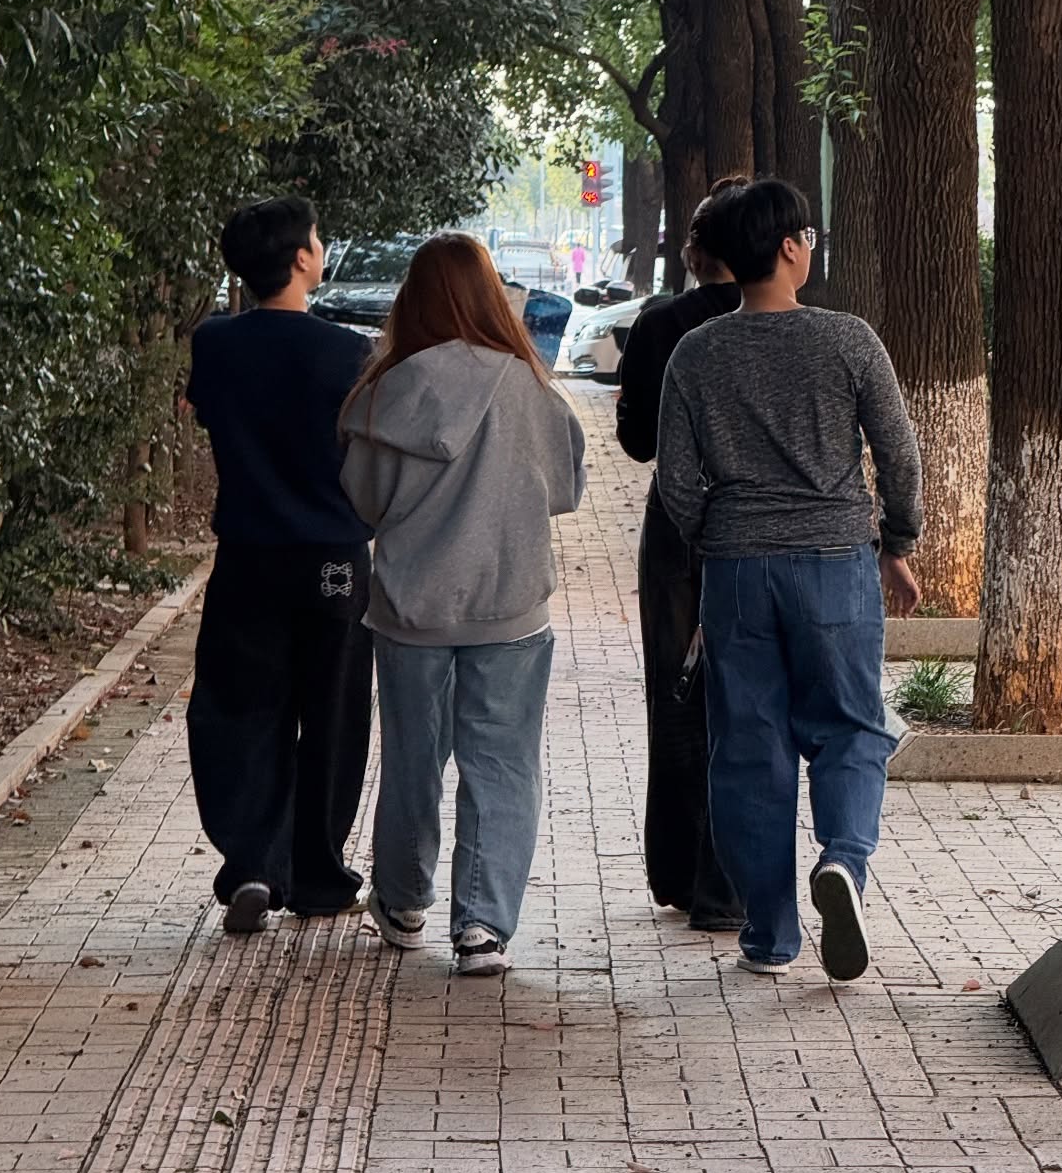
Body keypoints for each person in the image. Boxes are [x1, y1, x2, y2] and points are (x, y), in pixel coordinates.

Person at [655, 177, 923, 982]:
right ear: (787, 248)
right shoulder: (848, 341)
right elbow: (899, 456)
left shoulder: (696, 353)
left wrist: (720, 537)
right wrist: (896, 541)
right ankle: (843, 859)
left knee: (748, 750)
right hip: (834, 566)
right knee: (849, 728)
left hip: (736, 574)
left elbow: (674, 483)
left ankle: (769, 935)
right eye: (807, 235)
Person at [340, 234, 586, 975]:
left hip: (412, 607)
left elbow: (365, 501)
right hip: (510, 604)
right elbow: (567, 490)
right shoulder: (532, 388)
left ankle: (404, 899)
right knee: (503, 762)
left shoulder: (385, 392)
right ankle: (482, 927)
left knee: (414, 757)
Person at [186, 195, 374, 936]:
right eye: (318, 239)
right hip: (332, 554)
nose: (321, 248)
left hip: (248, 554)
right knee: (332, 709)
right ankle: (321, 874)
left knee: (239, 706)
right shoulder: (348, 352)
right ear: (301, 258)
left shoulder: (215, 344)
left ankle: (251, 862)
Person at [616, 212, 744, 931]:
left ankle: (678, 871)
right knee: (747, 703)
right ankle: (731, 879)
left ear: (695, 251)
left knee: (676, 695)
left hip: (673, 526)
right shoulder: (797, 326)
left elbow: (637, 442)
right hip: (760, 529)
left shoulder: (663, 324)